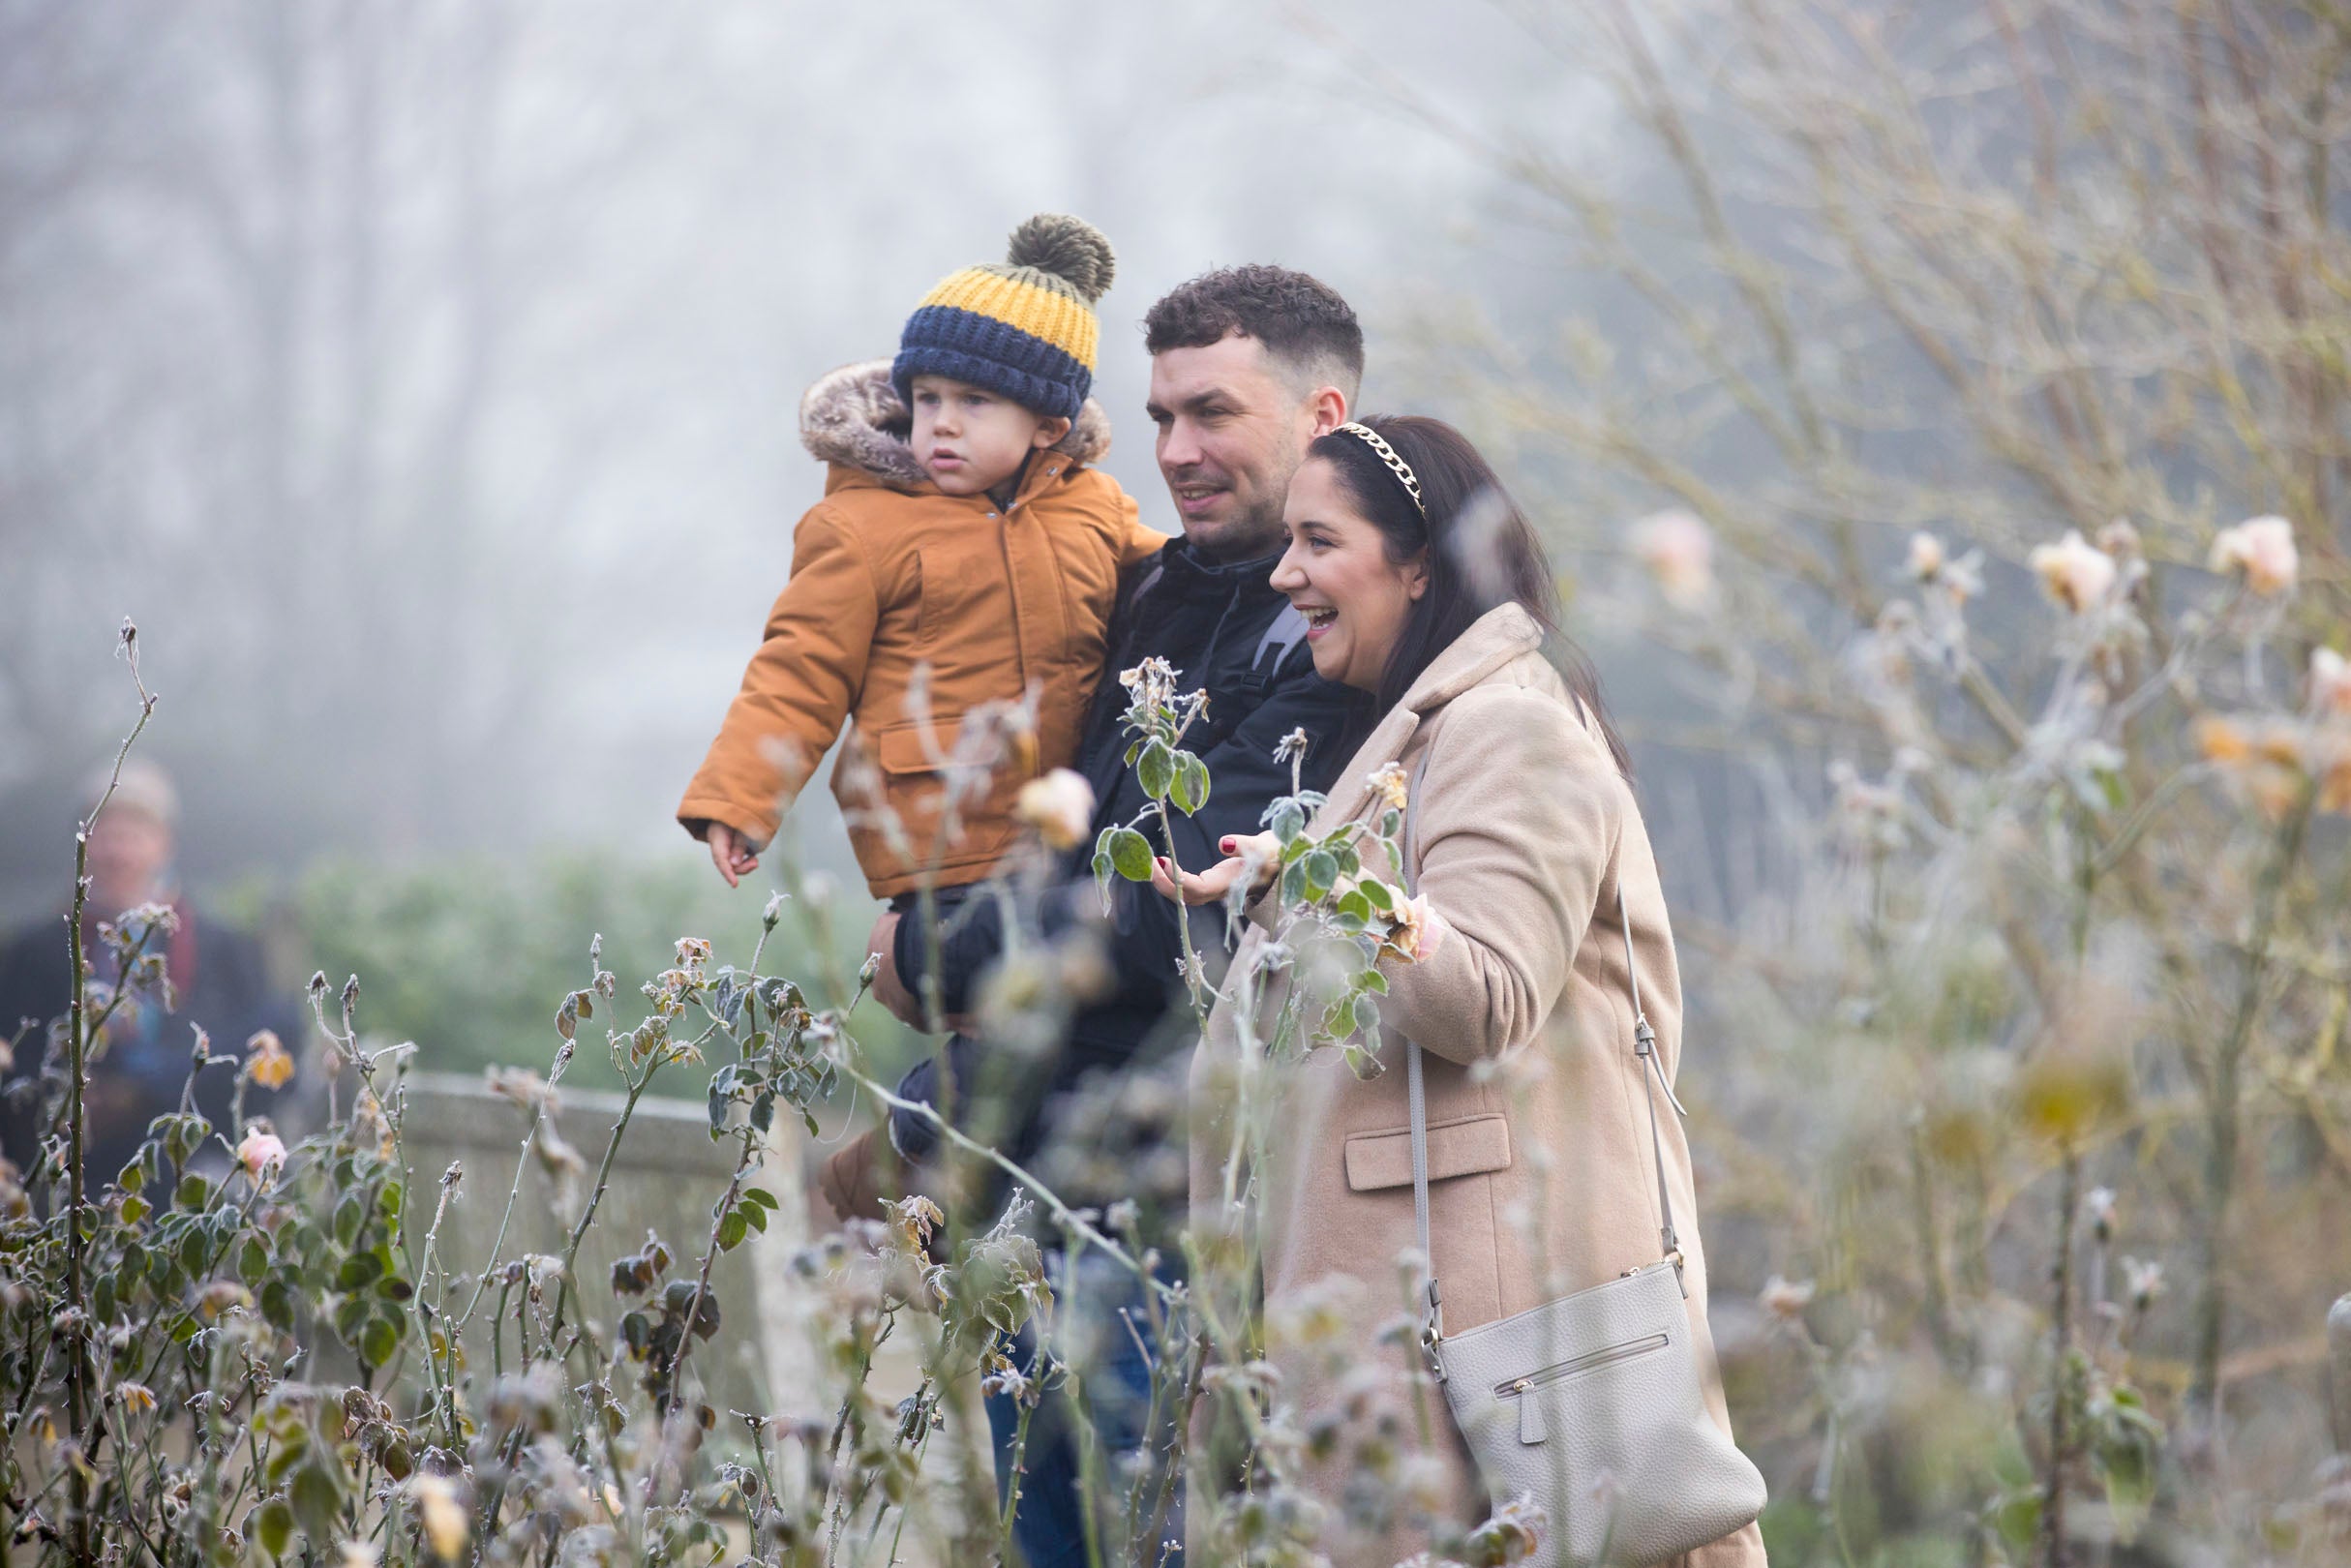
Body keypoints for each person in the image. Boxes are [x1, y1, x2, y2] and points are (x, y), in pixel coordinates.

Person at [835, 266, 1380, 1568]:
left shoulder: (1330, 634)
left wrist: (923, 946)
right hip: (1033, 1190)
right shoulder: (1142, 589)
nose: (1178, 450)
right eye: (1159, 417)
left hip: (1183, 1222)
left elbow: (1163, 915)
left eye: (1213, 412)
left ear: (1320, 414)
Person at [1163, 417, 1766, 1565]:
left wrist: (1327, 879)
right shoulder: (1418, 738)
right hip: (1428, 1370)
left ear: (1419, 562)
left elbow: (1484, 997)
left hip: (1493, 1381)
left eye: (1317, 540)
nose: (1284, 572)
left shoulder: (1508, 728)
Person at [677, 213, 1165, 910]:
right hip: (942, 845)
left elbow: (1184, 582)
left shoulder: (1094, 508)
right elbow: (799, 668)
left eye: (974, 401)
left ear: (1048, 427)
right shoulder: (861, 525)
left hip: (1078, 826)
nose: (942, 421)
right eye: (927, 397)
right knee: (973, 993)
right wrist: (738, 798)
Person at [0, 760, 300, 1196]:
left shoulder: (221, 949)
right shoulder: (36, 952)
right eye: (106, 834)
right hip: (62, 1187)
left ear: (165, 844)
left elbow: (261, 1059)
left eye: (135, 835)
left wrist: (149, 1089)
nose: (119, 853)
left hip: (187, 1181)